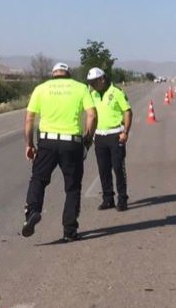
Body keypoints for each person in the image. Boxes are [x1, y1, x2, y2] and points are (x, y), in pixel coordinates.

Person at [22, 63, 96, 241]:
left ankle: (33, 211)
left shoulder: (41, 89)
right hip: (71, 143)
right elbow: (92, 115)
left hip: (47, 142)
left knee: (38, 179)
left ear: (53, 74)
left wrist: (30, 144)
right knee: (72, 187)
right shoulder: (80, 88)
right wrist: (87, 140)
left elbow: (29, 119)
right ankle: (69, 230)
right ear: (68, 75)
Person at [86, 67, 132, 211]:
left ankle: (122, 199)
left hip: (115, 135)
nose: (92, 84)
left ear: (103, 79)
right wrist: (91, 135)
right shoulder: (92, 95)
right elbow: (91, 116)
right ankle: (108, 199)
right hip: (99, 136)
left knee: (118, 168)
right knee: (103, 169)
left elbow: (127, 111)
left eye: (95, 81)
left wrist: (126, 132)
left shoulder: (116, 92)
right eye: (90, 82)